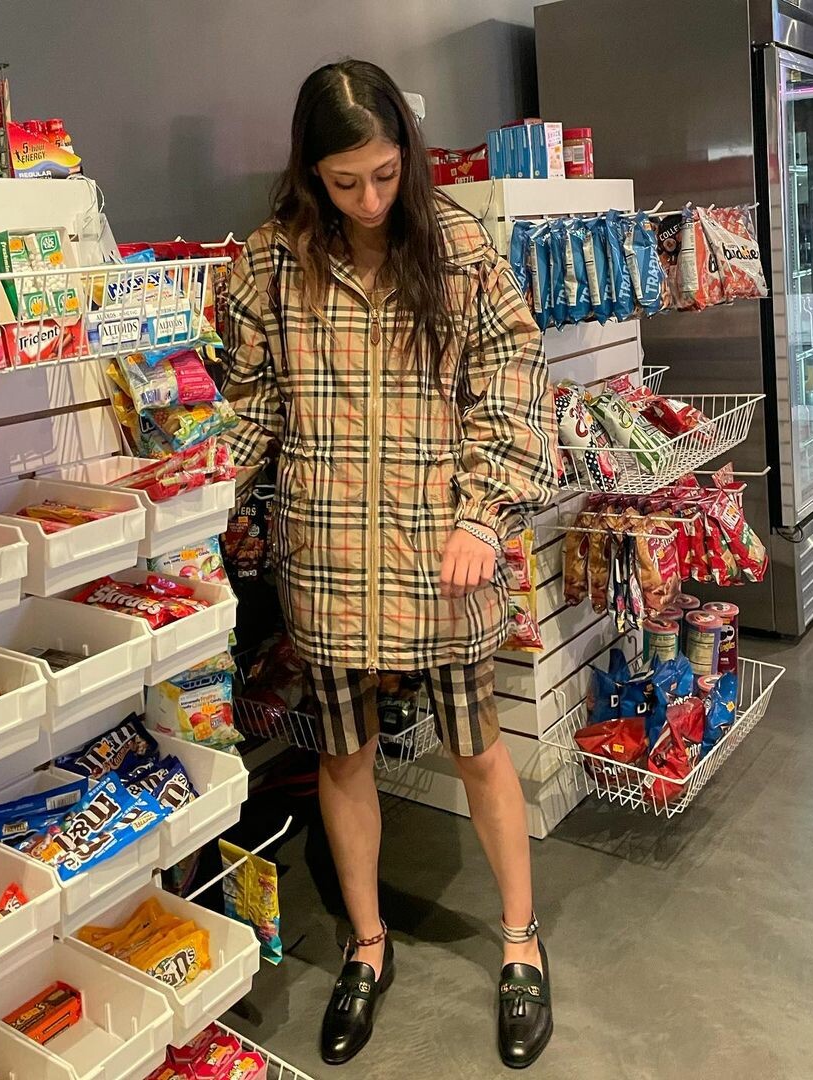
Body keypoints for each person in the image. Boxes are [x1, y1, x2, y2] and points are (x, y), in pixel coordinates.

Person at [221, 59, 557, 1069]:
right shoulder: (270, 262)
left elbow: (514, 379)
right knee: (343, 755)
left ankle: (521, 939)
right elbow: (248, 407)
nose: (369, 200)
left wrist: (483, 514)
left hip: (440, 557)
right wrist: (181, 495)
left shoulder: (458, 247)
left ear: (406, 156)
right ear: (310, 172)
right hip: (325, 557)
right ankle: (366, 944)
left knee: (477, 746)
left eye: (383, 174)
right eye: (345, 181)